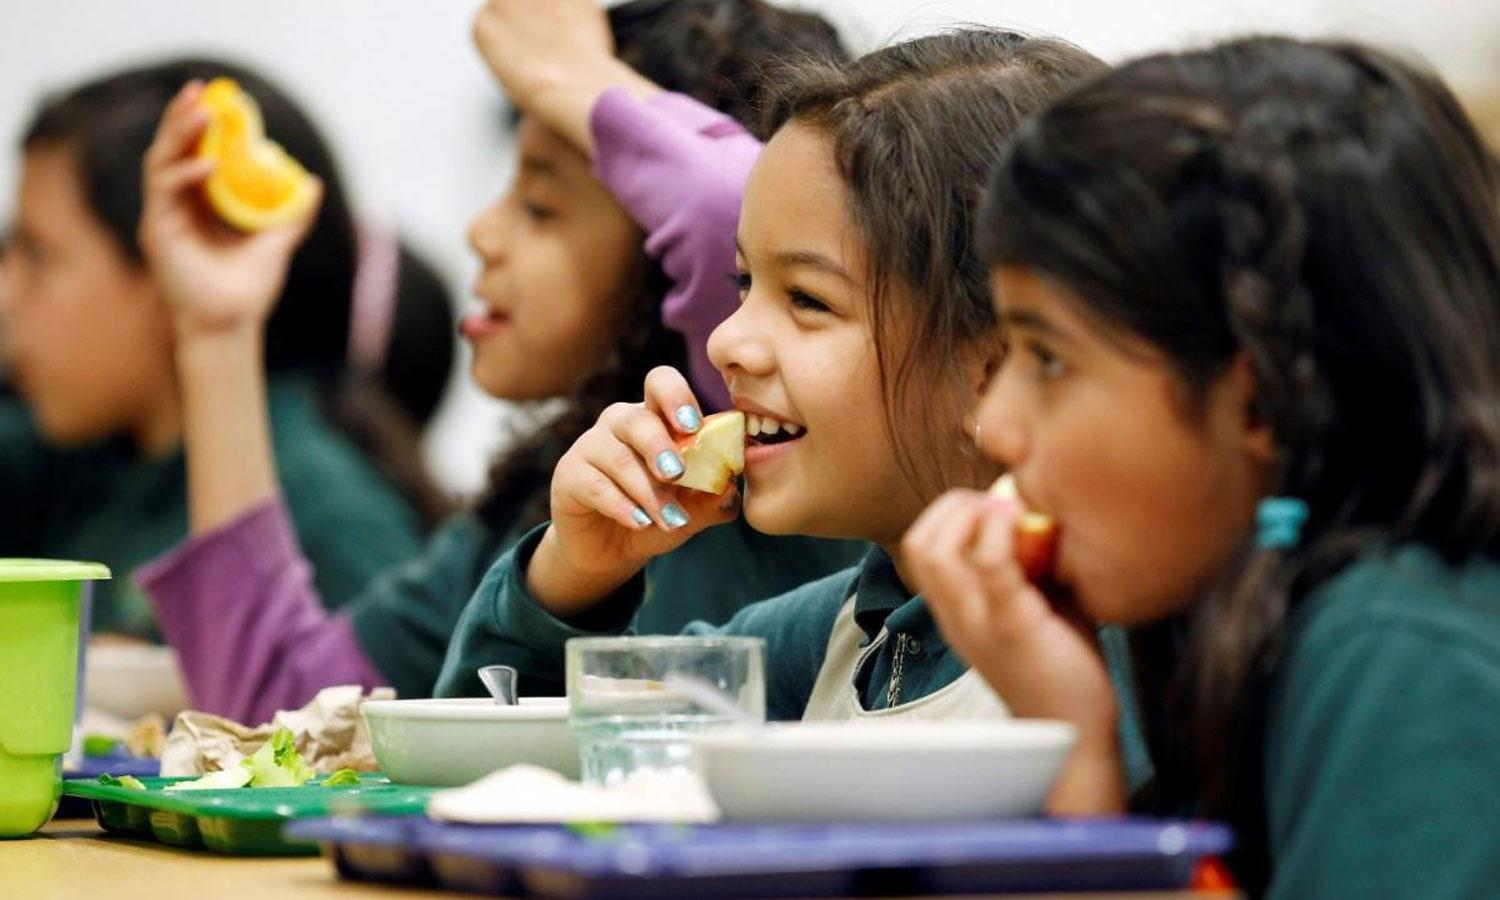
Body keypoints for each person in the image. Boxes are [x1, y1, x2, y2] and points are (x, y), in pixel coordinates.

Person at [434, 29, 1139, 814]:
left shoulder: (1126, 647)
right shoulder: (826, 639)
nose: (728, 340)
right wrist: (572, 575)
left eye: (807, 299)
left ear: (1000, 363)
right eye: (743, 283)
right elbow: (495, 791)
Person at [136, 0, 863, 724]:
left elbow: (745, 204)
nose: (481, 233)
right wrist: (215, 332)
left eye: (541, 206)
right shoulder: (545, 498)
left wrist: (567, 73)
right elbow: (281, 707)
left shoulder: (781, 451)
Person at [903, 36, 1500, 896]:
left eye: (1049, 358)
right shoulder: (1287, 613)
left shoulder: (1404, 654)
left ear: (1262, 402)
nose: (995, 427)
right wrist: (1070, 733)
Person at [0, 58, 447, 638]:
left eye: (38, 254)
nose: (7, 295)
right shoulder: (77, 462)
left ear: (175, 256)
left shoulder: (329, 519)